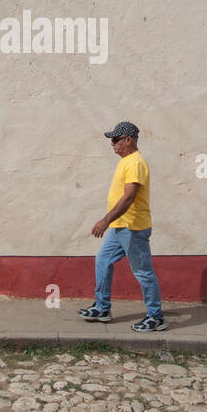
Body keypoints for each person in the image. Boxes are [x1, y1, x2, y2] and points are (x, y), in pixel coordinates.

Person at [79, 121, 167, 331]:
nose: (112, 144)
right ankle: (102, 307)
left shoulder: (136, 163)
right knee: (103, 260)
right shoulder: (126, 161)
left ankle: (156, 317)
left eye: (115, 140)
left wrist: (105, 220)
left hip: (133, 228)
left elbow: (128, 198)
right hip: (121, 227)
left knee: (143, 272)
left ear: (128, 140)